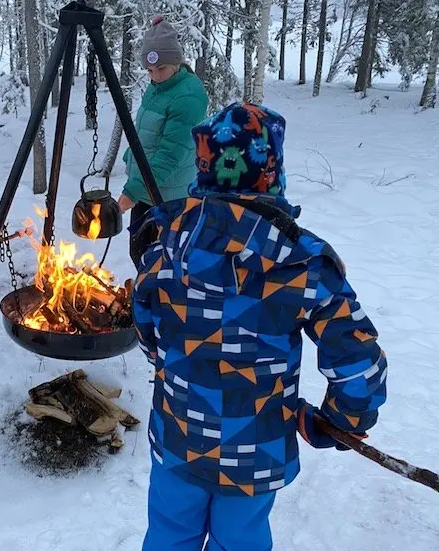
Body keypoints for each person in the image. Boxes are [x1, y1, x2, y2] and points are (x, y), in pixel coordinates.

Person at [132, 103, 388, 551]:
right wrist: (342, 419)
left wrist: (174, 362)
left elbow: (148, 328)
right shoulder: (301, 263)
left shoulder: (166, 244)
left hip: (177, 438)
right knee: (240, 541)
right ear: (271, 173)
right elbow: (356, 357)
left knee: (170, 534)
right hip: (253, 453)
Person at [119, 16, 208, 269]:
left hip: (170, 197)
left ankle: (161, 307)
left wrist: (131, 193)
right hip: (147, 188)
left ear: (176, 62)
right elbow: (148, 134)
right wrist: (131, 157)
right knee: (140, 255)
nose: (155, 77)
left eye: (161, 69)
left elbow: (170, 155)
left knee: (160, 264)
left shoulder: (188, 97)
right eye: (149, 71)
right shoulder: (158, 88)